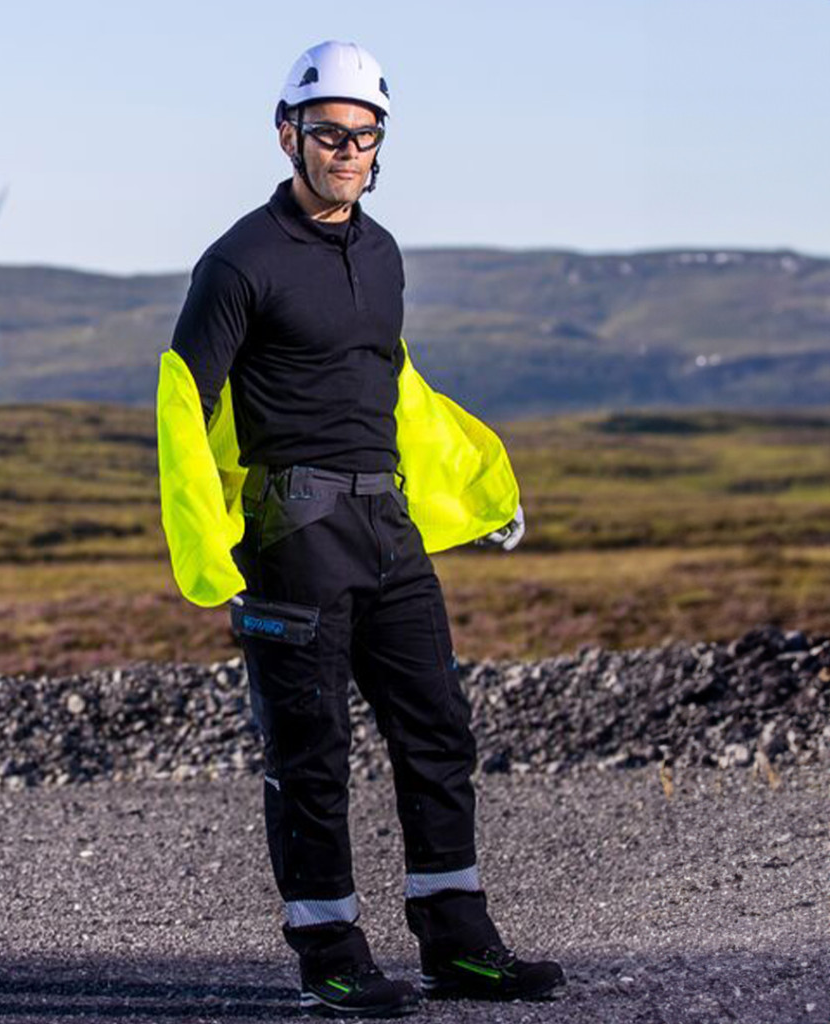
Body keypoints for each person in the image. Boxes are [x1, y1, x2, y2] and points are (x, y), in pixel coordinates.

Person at [156, 39, 565, 1018]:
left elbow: (397, 387)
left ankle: (456, 945)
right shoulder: (238, 262)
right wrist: (212, 545)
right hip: (293, 533)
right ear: (287, 133)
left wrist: (477, 485)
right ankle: (329, 955)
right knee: (312, 752)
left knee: (438, 730)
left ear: (381, 142)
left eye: (364, 135)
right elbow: (182, 404)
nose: (346, 150)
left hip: (388, 524)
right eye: (329, 133)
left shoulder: (381, 255)